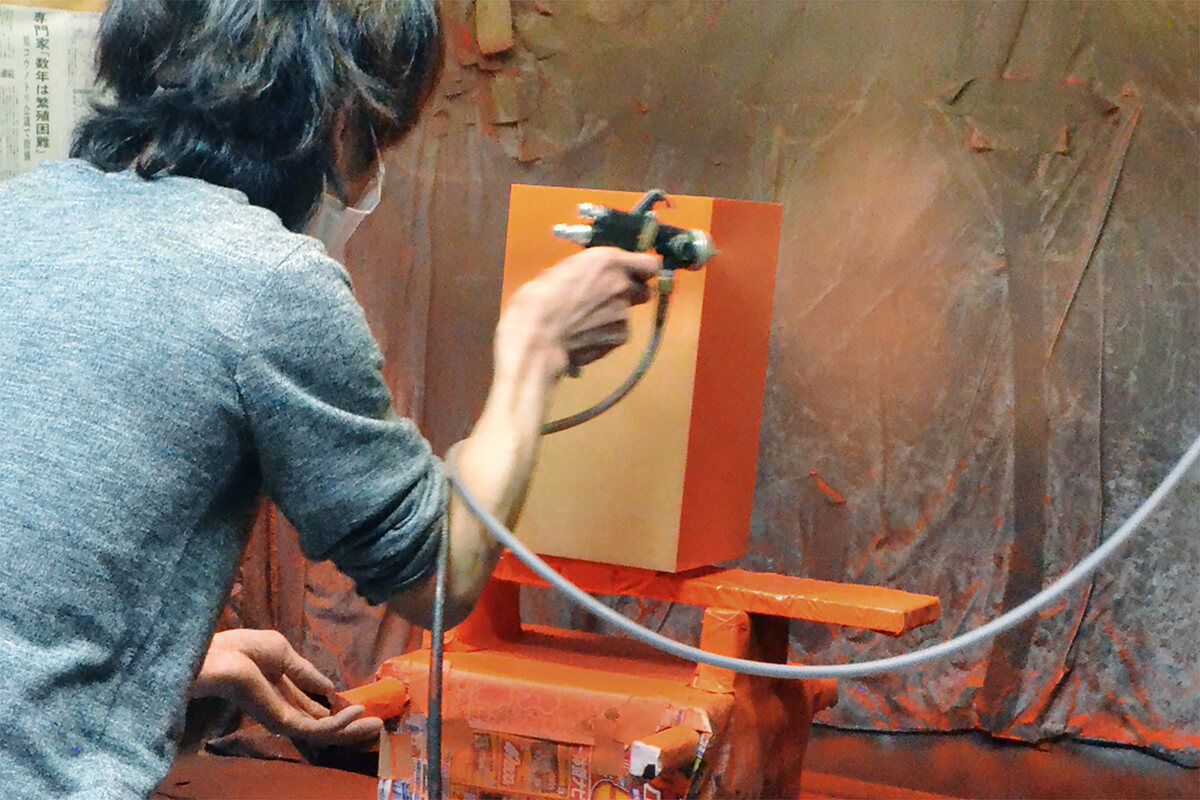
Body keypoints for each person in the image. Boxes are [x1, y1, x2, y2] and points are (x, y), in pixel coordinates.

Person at [0, 1, 659, 797]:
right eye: (378, 143)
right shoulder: (267, 280)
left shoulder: (19, 209)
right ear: (340, 119)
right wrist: (537, 351)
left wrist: (168, 664)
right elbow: (438, 573)